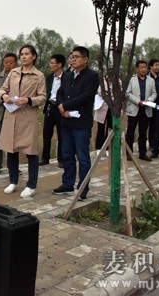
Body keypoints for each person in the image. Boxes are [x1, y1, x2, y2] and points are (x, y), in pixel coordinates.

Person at [0, 45, 46, 197]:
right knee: (11, 150)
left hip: (28, 117)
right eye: (21, 54)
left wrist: (28, 100)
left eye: (27, 54)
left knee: (31, 151)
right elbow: (2, 88)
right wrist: (4, 95)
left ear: (34, 56)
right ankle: (13, 181)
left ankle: (31, 185)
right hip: (11, 116)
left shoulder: (39, 75)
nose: (24, 57)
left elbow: (43, 97)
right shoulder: (13, 72)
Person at [53, 46, 99, 201]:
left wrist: (65, 106)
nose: (72, 59)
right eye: (71, 56)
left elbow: (86, 96)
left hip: (81, 122)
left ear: (85, 59)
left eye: (76, 57)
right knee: (67, 154)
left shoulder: (92, 76)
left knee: (83, 157)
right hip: (66, 121)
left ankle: (83, 188)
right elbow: (60, 92)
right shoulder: (68, 75)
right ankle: (67, 183)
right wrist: (61, 106)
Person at [125, 60, 157, 161]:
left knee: (143, 133)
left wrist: (148, 101)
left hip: (146, 109)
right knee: (130, 132)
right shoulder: (132, 79)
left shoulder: (151, 80)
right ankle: (129, 153)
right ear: (137, 69)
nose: (143, 69)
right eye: (141, 67)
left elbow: (154, 93)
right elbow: (128, 93)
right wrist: (138, 101)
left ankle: (142, 153)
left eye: (145, 67)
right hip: (134, 108)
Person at [41, 54, 67, 168]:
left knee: (61, 134)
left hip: (61, 107)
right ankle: (45, 157)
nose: (50, 65)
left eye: (52, 63)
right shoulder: (49, 77)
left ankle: (61, 159)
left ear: (59, 64)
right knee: (46, 134)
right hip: (50, 106)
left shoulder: (67, 77)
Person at [147, 59, 159, 156]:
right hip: (150, 103)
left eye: (158, 65)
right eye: (156, 65)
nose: (157, 67)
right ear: (151, 66)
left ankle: (156, 144)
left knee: (158, 125)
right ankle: (151, 144)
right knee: (151, 124)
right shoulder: (148, 76)